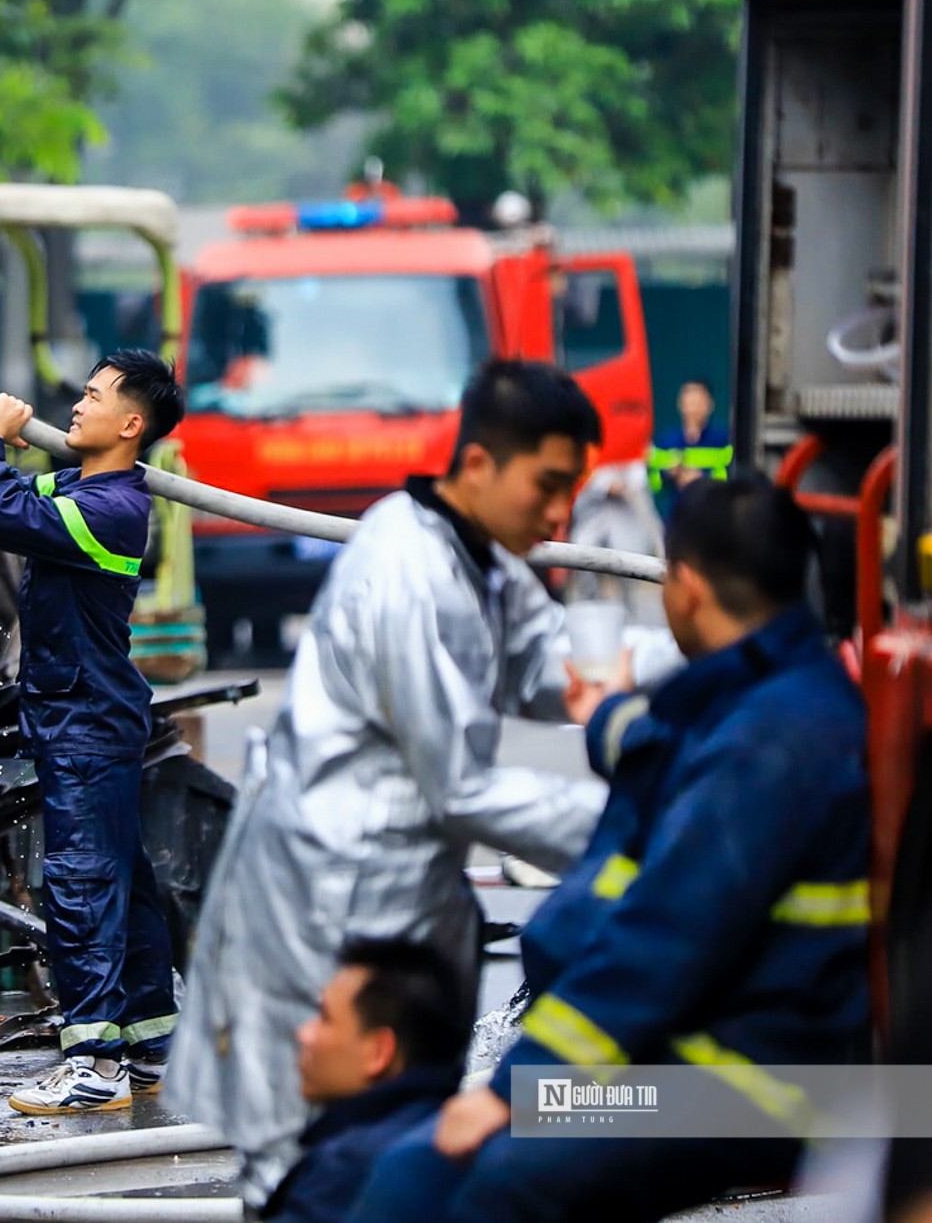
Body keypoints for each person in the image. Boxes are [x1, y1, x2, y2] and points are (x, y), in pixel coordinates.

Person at [169, 359, 645, 1210]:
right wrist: (639, 824)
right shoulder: (407, 569)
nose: (559, 512)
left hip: (404, 909)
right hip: (327, 908)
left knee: (404, 1150)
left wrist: (710, 673)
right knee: (305, 1164)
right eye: (547, 484)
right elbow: (462, 784)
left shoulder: (487, 563)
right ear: (477, 466)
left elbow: (562, 662)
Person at [348, 474, 871, 1223]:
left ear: (685, 586)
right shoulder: (770, 695)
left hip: (750, 1083)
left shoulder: (771, 737)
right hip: (717, 1055)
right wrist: (607, 715)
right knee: (414, 1167)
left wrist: (512, 1095)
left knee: (482, 1184)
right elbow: (669, 750)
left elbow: (655, 949)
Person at [0, 349, 185, 1115]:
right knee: (123, 878)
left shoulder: (115, 509)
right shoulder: (80, 486)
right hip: (85, 714)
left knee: (83, 885)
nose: (78, 406)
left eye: (93, 397)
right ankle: (150, 1041)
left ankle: (93, 1060)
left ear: (131, 423)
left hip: (87, 721)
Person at [260, 938, 469, 1223]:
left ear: (379, 1052)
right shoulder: (441, 1132)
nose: (304, 1034)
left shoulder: (346, 1169)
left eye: (324, 1018)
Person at [647, 378, 732, 512]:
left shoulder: (722, 440)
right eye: (690, 402)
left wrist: (702, 478)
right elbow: (652, 482)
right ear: (681, 405)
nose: (694, 409)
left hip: (713, 514)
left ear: (710, 405)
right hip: (677, 514)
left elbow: (731, 477)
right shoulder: (666, 442)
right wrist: (669, 473)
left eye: (699, 402)